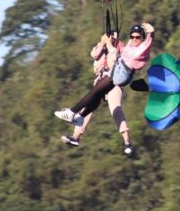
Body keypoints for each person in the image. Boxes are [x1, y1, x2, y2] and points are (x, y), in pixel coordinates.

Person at [55, 22, 155, 156]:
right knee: (93, 99)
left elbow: (146, 43)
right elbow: (95, 55)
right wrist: (104, 42)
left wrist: (150, 33)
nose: (134, 39)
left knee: (114, 107)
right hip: (110, 76)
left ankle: (127, 142)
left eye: (137, 37)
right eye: (132, 36)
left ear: (141, 37)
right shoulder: (121, 46)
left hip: (119, 76)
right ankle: (76, 133)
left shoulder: (135, 47)